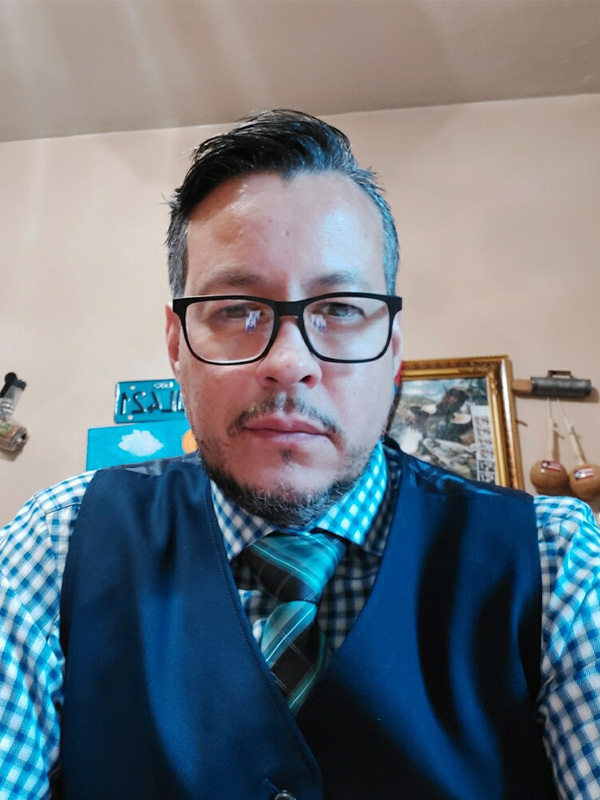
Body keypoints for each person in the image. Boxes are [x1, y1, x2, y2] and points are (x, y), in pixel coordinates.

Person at [1, 110, 599, 800]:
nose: (289, 363)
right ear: (176, 345)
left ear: (393, 348)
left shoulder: (556, 559)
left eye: (340, 308)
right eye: (235, 309)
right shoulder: (58, 541)